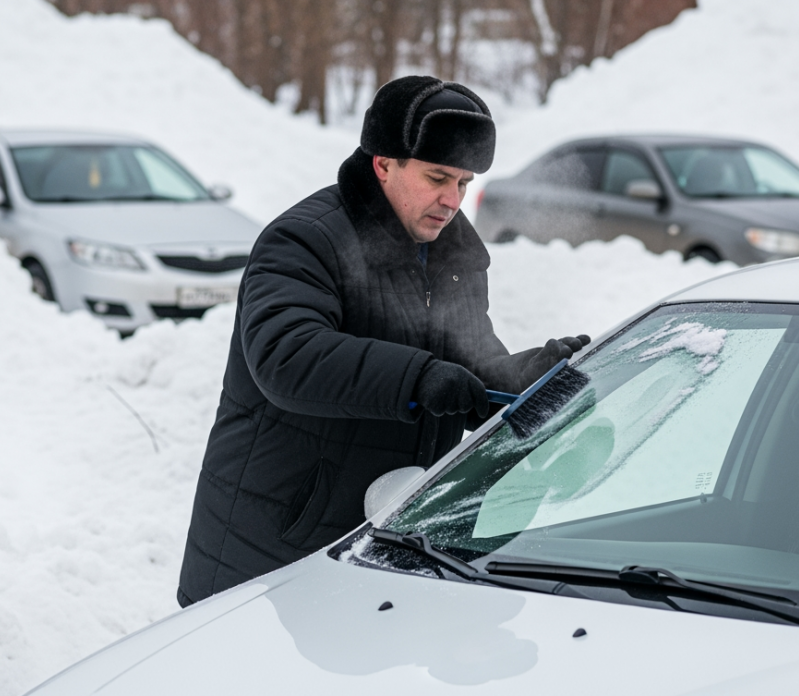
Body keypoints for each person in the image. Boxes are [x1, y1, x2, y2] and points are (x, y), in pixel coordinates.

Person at [176, 76, 588, 607]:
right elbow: (286, 356)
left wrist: (532, 375)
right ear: (384, 163)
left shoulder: (453, 251)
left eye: (463, 183)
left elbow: (467, 364)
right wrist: (417, 378)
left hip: (382, 539)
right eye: (438, 177)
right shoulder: (305, 240)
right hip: (276, 546)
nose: (452, 200)